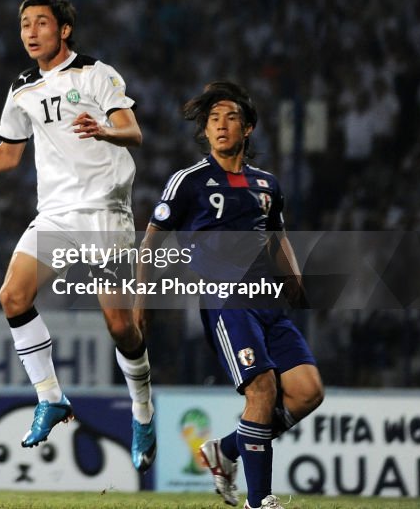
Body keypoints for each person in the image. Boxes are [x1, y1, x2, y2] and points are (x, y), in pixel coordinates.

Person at [0, 0, 156, 471]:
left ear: (63, 30)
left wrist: (106, 130)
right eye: (24, 24)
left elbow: (134, 132)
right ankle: (51, 397)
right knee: (12, 296)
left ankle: (143, 411)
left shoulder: (96, 74)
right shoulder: (22, 87)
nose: (30, 32)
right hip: (57, 214)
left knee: (120, 326)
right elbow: (7, 155)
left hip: (104, 211)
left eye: (40, 23)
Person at [138, 81, 324, 509]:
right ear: (204, 131)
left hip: (269, 303)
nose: (221, 126)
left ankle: (226, 450)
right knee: (261, 390)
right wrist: (141, 303)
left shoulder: (267, 185)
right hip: (226, 302)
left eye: (231, 117)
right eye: (213, 119)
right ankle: (260, 501)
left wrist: (295, 281)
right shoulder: (188, 181)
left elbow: (277, 239)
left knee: (308, 391)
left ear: (249, 128)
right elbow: (149, 244)